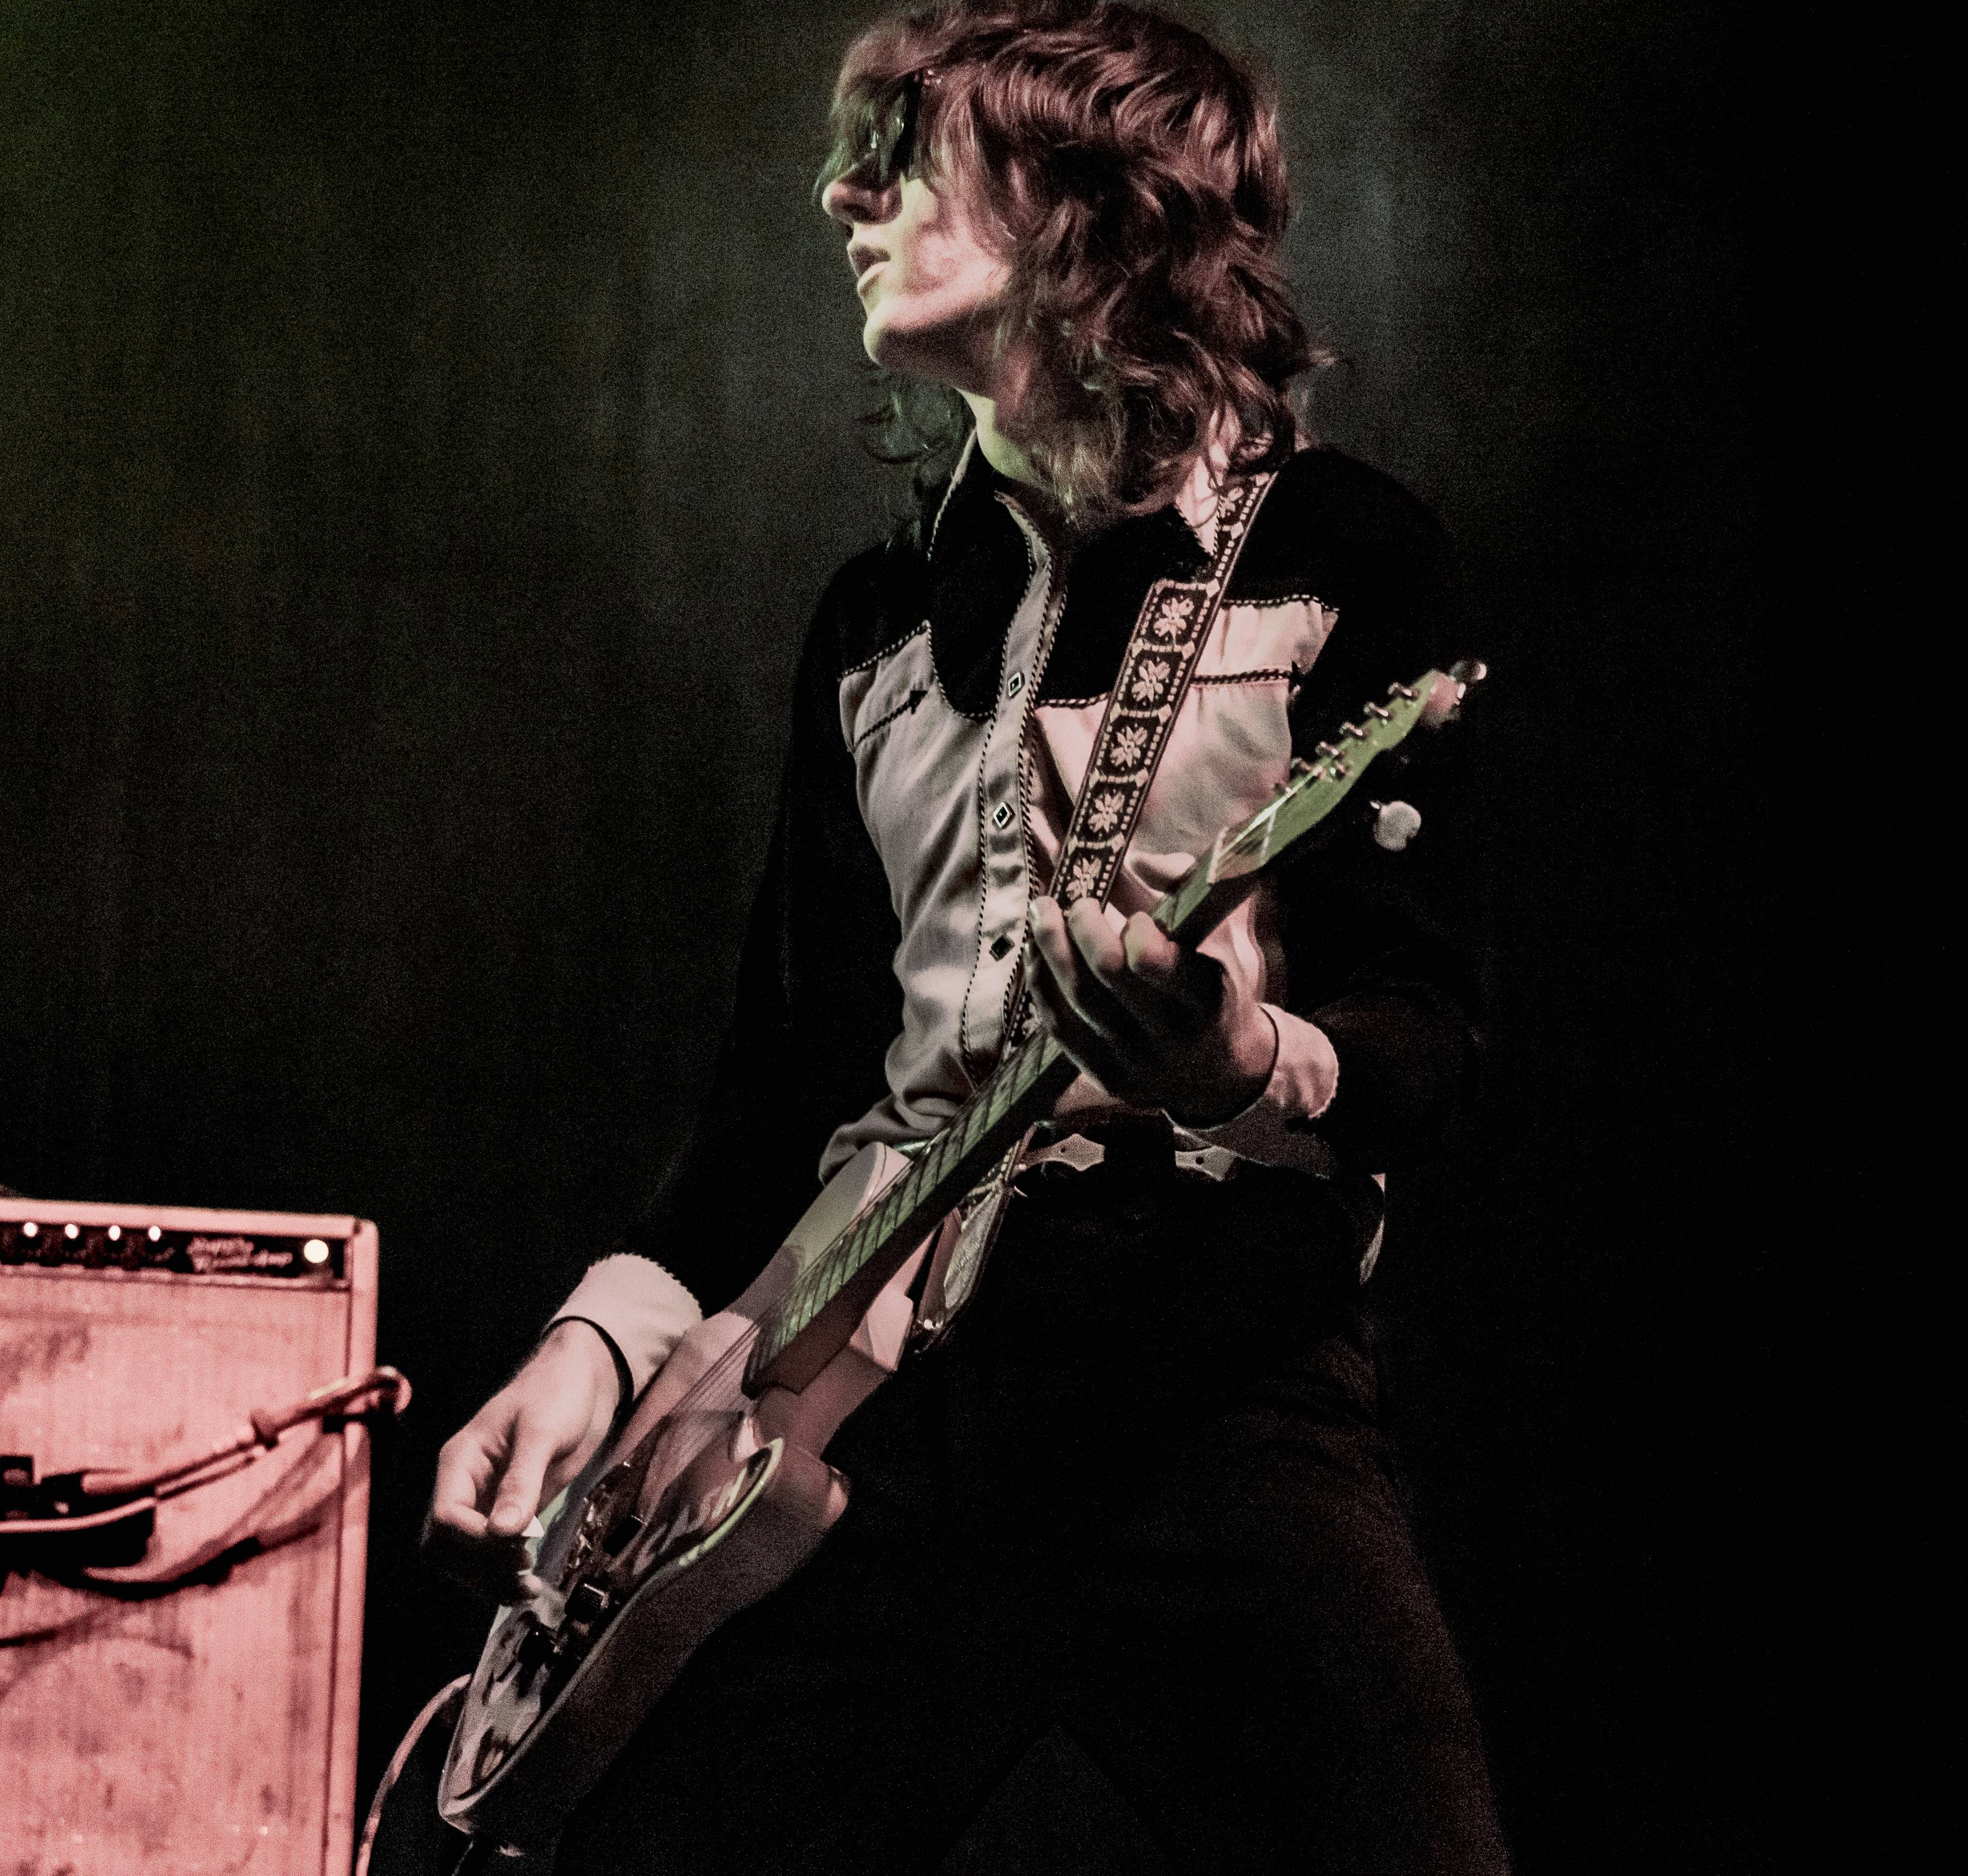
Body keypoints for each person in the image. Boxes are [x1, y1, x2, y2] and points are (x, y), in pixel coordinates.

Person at [425, 3, 1506, 1869]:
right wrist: (595, 1348)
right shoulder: (879, 615)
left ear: (1094, 203)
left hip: (1209, 1382)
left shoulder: (1346, 552)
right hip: (868, 1409)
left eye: (905, 162)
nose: (842, 201)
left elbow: (1430, 1031)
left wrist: (1240, 1061)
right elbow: (782, 1089)